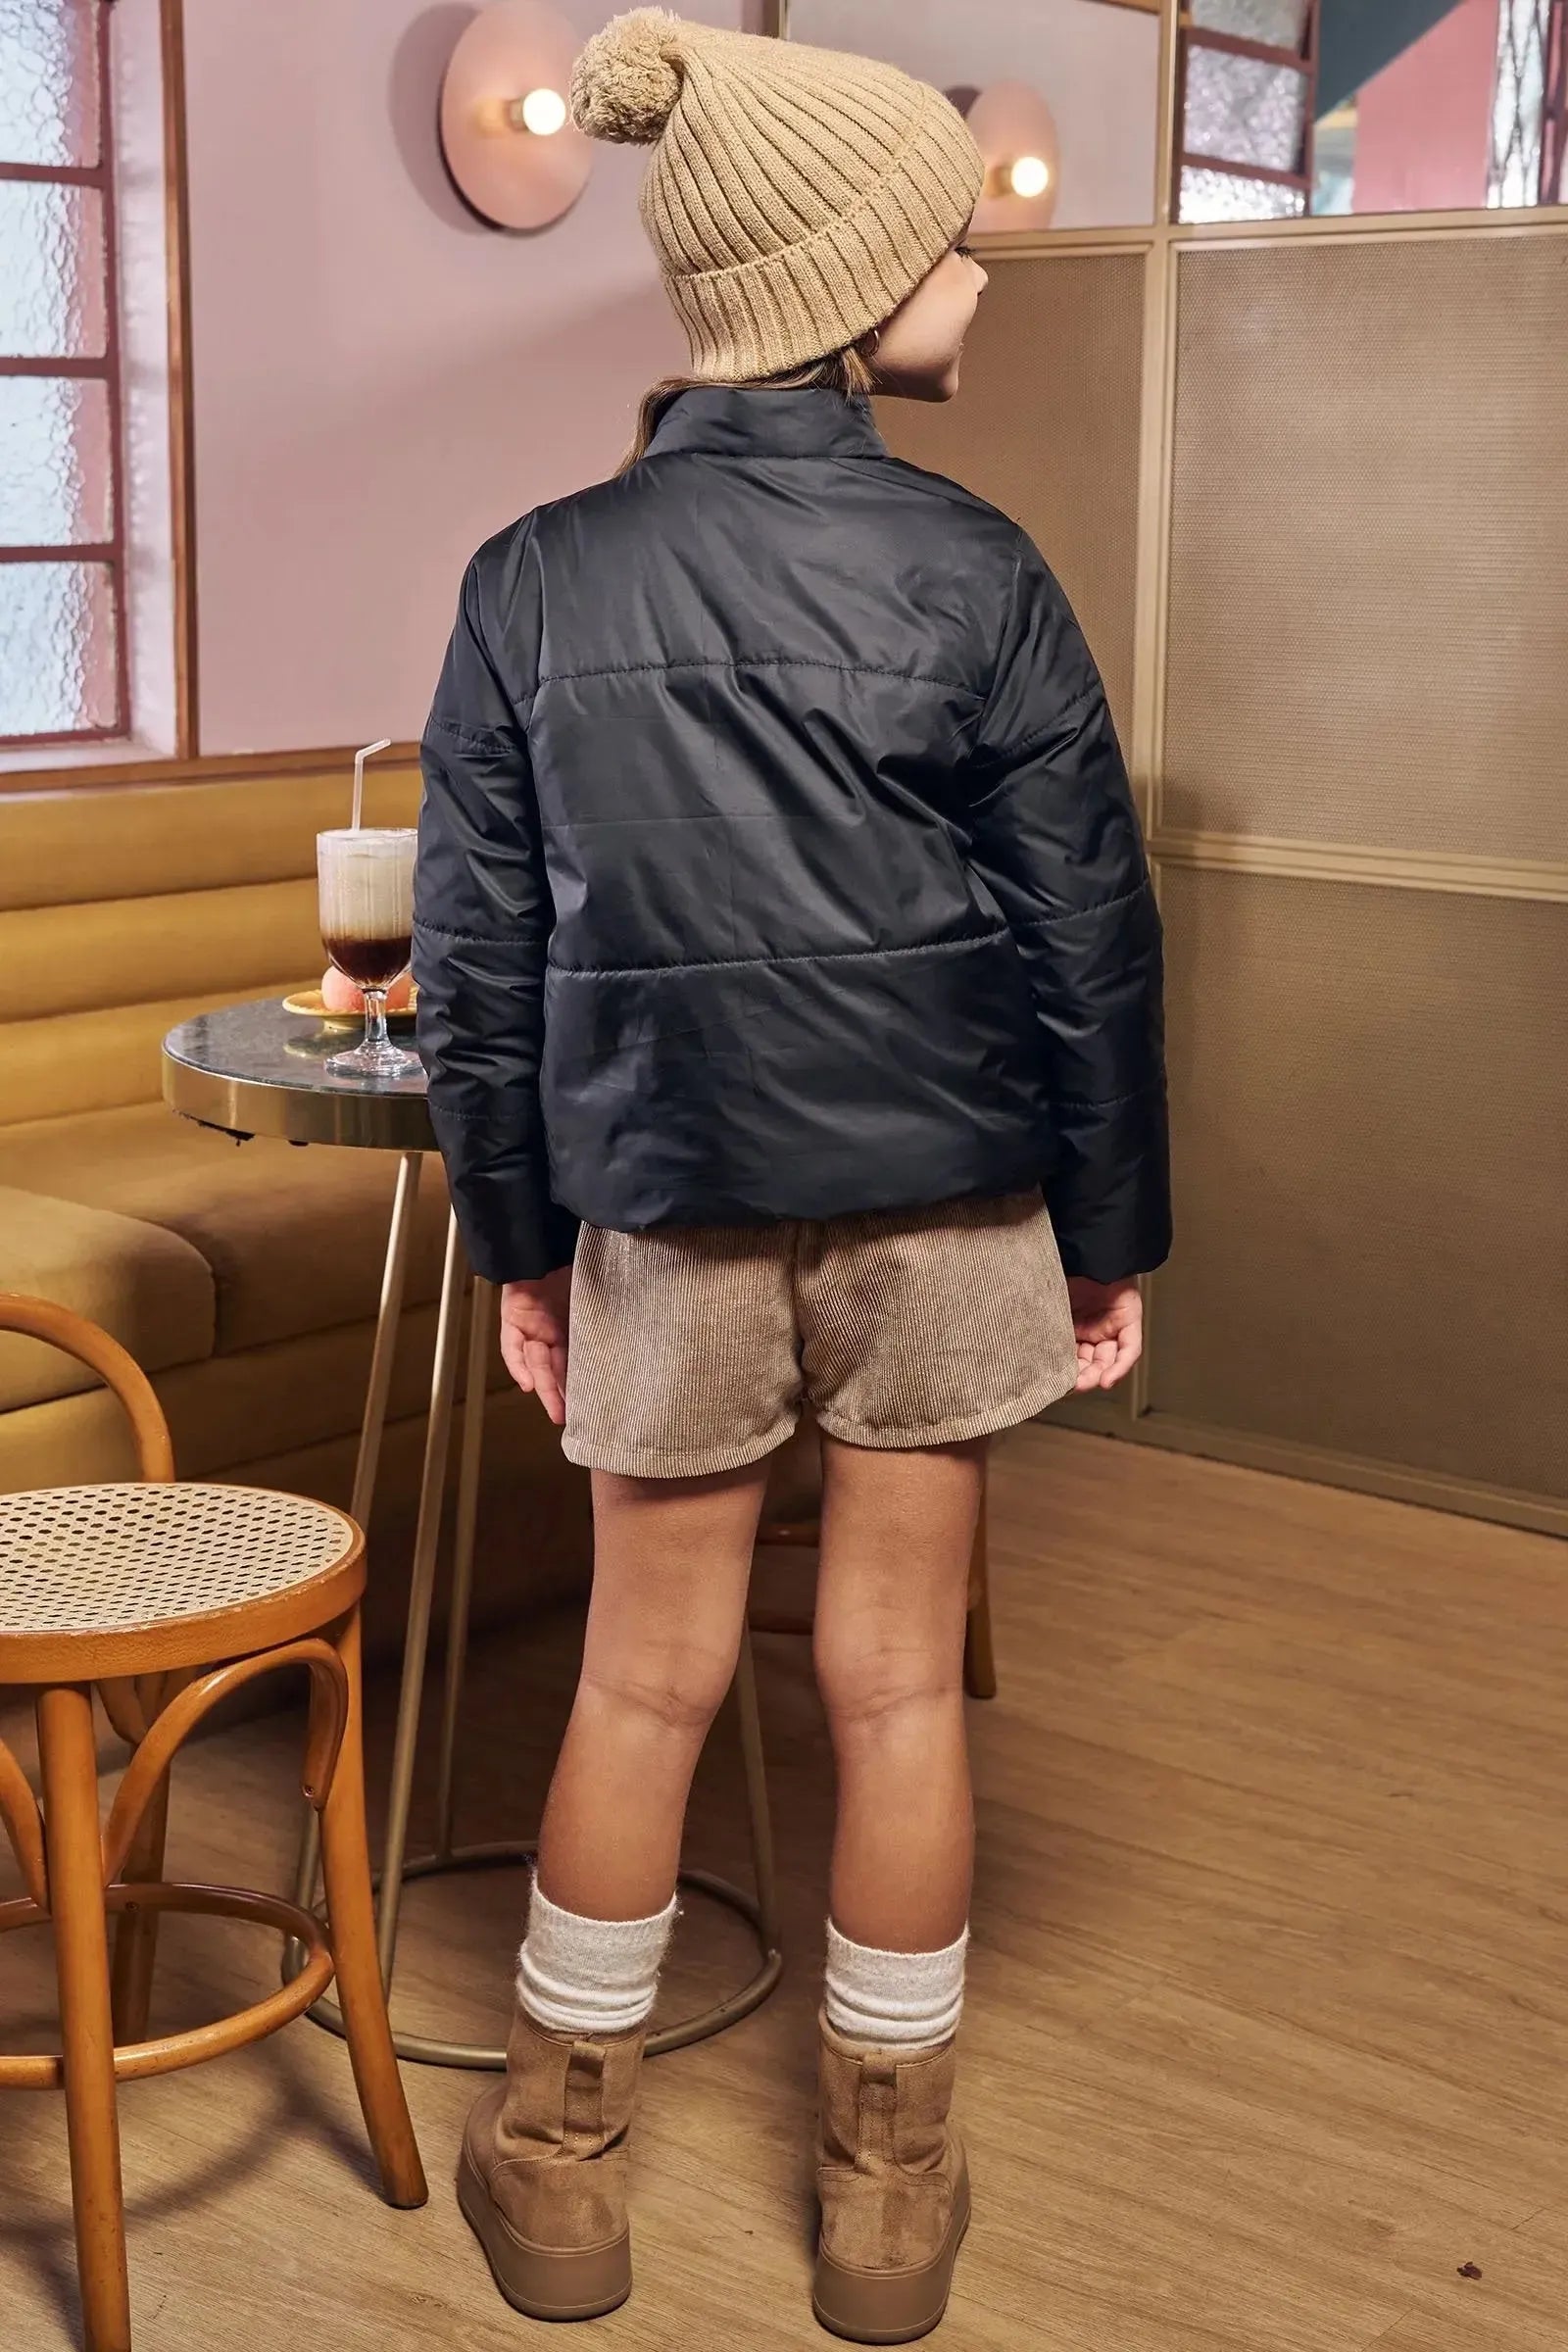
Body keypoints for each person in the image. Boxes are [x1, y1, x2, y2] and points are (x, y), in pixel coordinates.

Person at [412, 10, 1170, 2340]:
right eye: (946, 241)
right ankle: (884, 2192)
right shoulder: (978, 569)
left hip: (662, 1207)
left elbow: (476, 962)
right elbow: (1086, 935)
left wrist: (524, 1241)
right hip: (949, 1213)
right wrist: (1106, 1236)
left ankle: (557, 2168)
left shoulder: (535, 576)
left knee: (638, 1687)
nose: (980, 272)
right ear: (846, 285)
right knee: (896, 1691)